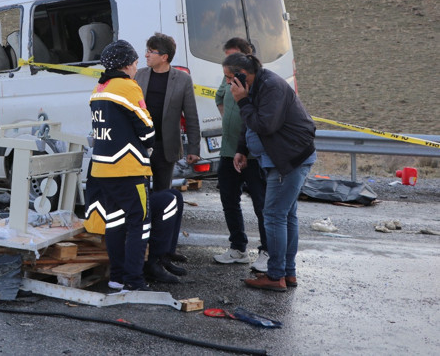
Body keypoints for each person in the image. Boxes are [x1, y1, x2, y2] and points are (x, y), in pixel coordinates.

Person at [223, 52, 316, 292]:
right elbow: (249, 122)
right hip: (279, 158)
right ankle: (288, 272)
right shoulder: (256, 86)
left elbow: (265, 124)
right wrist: (242, 149)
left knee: (274, 215)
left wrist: (242, 100)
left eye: (228, 77)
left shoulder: (272, 86)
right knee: (286, 215)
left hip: (289, 160)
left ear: (242, 75)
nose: (226, 83)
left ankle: (276, 276)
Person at [84, 40, 156, 291]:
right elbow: (146, 129)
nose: (137, 67)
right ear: (126, 65)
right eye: (136, 63)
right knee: (140, 222)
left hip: (102, 169)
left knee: (114, 222)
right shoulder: (127, 87)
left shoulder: (99, 88)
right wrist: (149, 145)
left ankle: (116, 277)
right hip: (128, 168)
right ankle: (134, 281)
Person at [134, 33, 200, 272]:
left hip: (165, 147)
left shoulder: (181, 80)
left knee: (166, 198)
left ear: (164, 56)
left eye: (151, 51)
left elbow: (191, 116)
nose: (146, 55)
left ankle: (166, 251)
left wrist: (194, 148)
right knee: (141, 199)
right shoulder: (139, 75)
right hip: (140, 148)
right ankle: (144, 248)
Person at [213, 38, 269, 272]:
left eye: (232, 57)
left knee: (262, 204)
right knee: (228, 199)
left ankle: (267, 251)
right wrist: (231, 123)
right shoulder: (228, 80)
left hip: (255, 155)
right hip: (229, 151)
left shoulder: (259, 83)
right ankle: (238, 248)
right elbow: (219, 98)